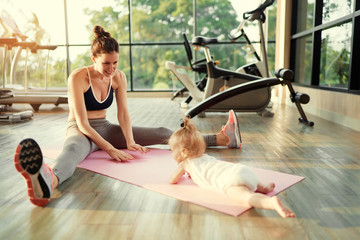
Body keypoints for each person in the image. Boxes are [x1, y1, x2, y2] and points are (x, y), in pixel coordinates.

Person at [14, 25, 242, 207]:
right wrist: (110, 149)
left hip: (105, 127)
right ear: (93, 58)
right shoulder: (78, 77)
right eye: (106, 63)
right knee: (72, 151)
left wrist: (130, 140)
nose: (111, 68)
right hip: (80, 130)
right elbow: (82, 123)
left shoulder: (118, 77)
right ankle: (46, 182)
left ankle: (223, 139)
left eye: (115, 63)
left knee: (163, 133)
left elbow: (123, 114)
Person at [168, 117, 296, 218]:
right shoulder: (204, 156)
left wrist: (180, 169)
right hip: (240, 170)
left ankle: (271, 203)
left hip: (229, 181)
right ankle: (263, 187)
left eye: (172, 150)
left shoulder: (185, 164)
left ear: (184, 152)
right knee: (247, 181)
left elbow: (172, 180)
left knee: (246, 197)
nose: (172, 153)